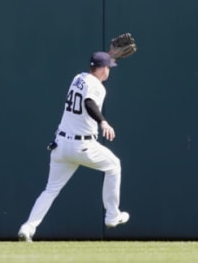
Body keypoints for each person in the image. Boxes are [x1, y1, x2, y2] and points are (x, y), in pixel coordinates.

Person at [18, 51, 129, 242]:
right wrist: (103, 122)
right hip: (82, 145)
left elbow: (88, 89)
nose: (109, 71)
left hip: (60, 146)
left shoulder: (78, 78)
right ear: (103, 69)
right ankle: (112, 216)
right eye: (109, 68)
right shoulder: (99, 88)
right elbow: (89, 102)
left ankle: (27, 228)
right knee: (114, 165)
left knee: (50, 190)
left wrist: (111, 56)